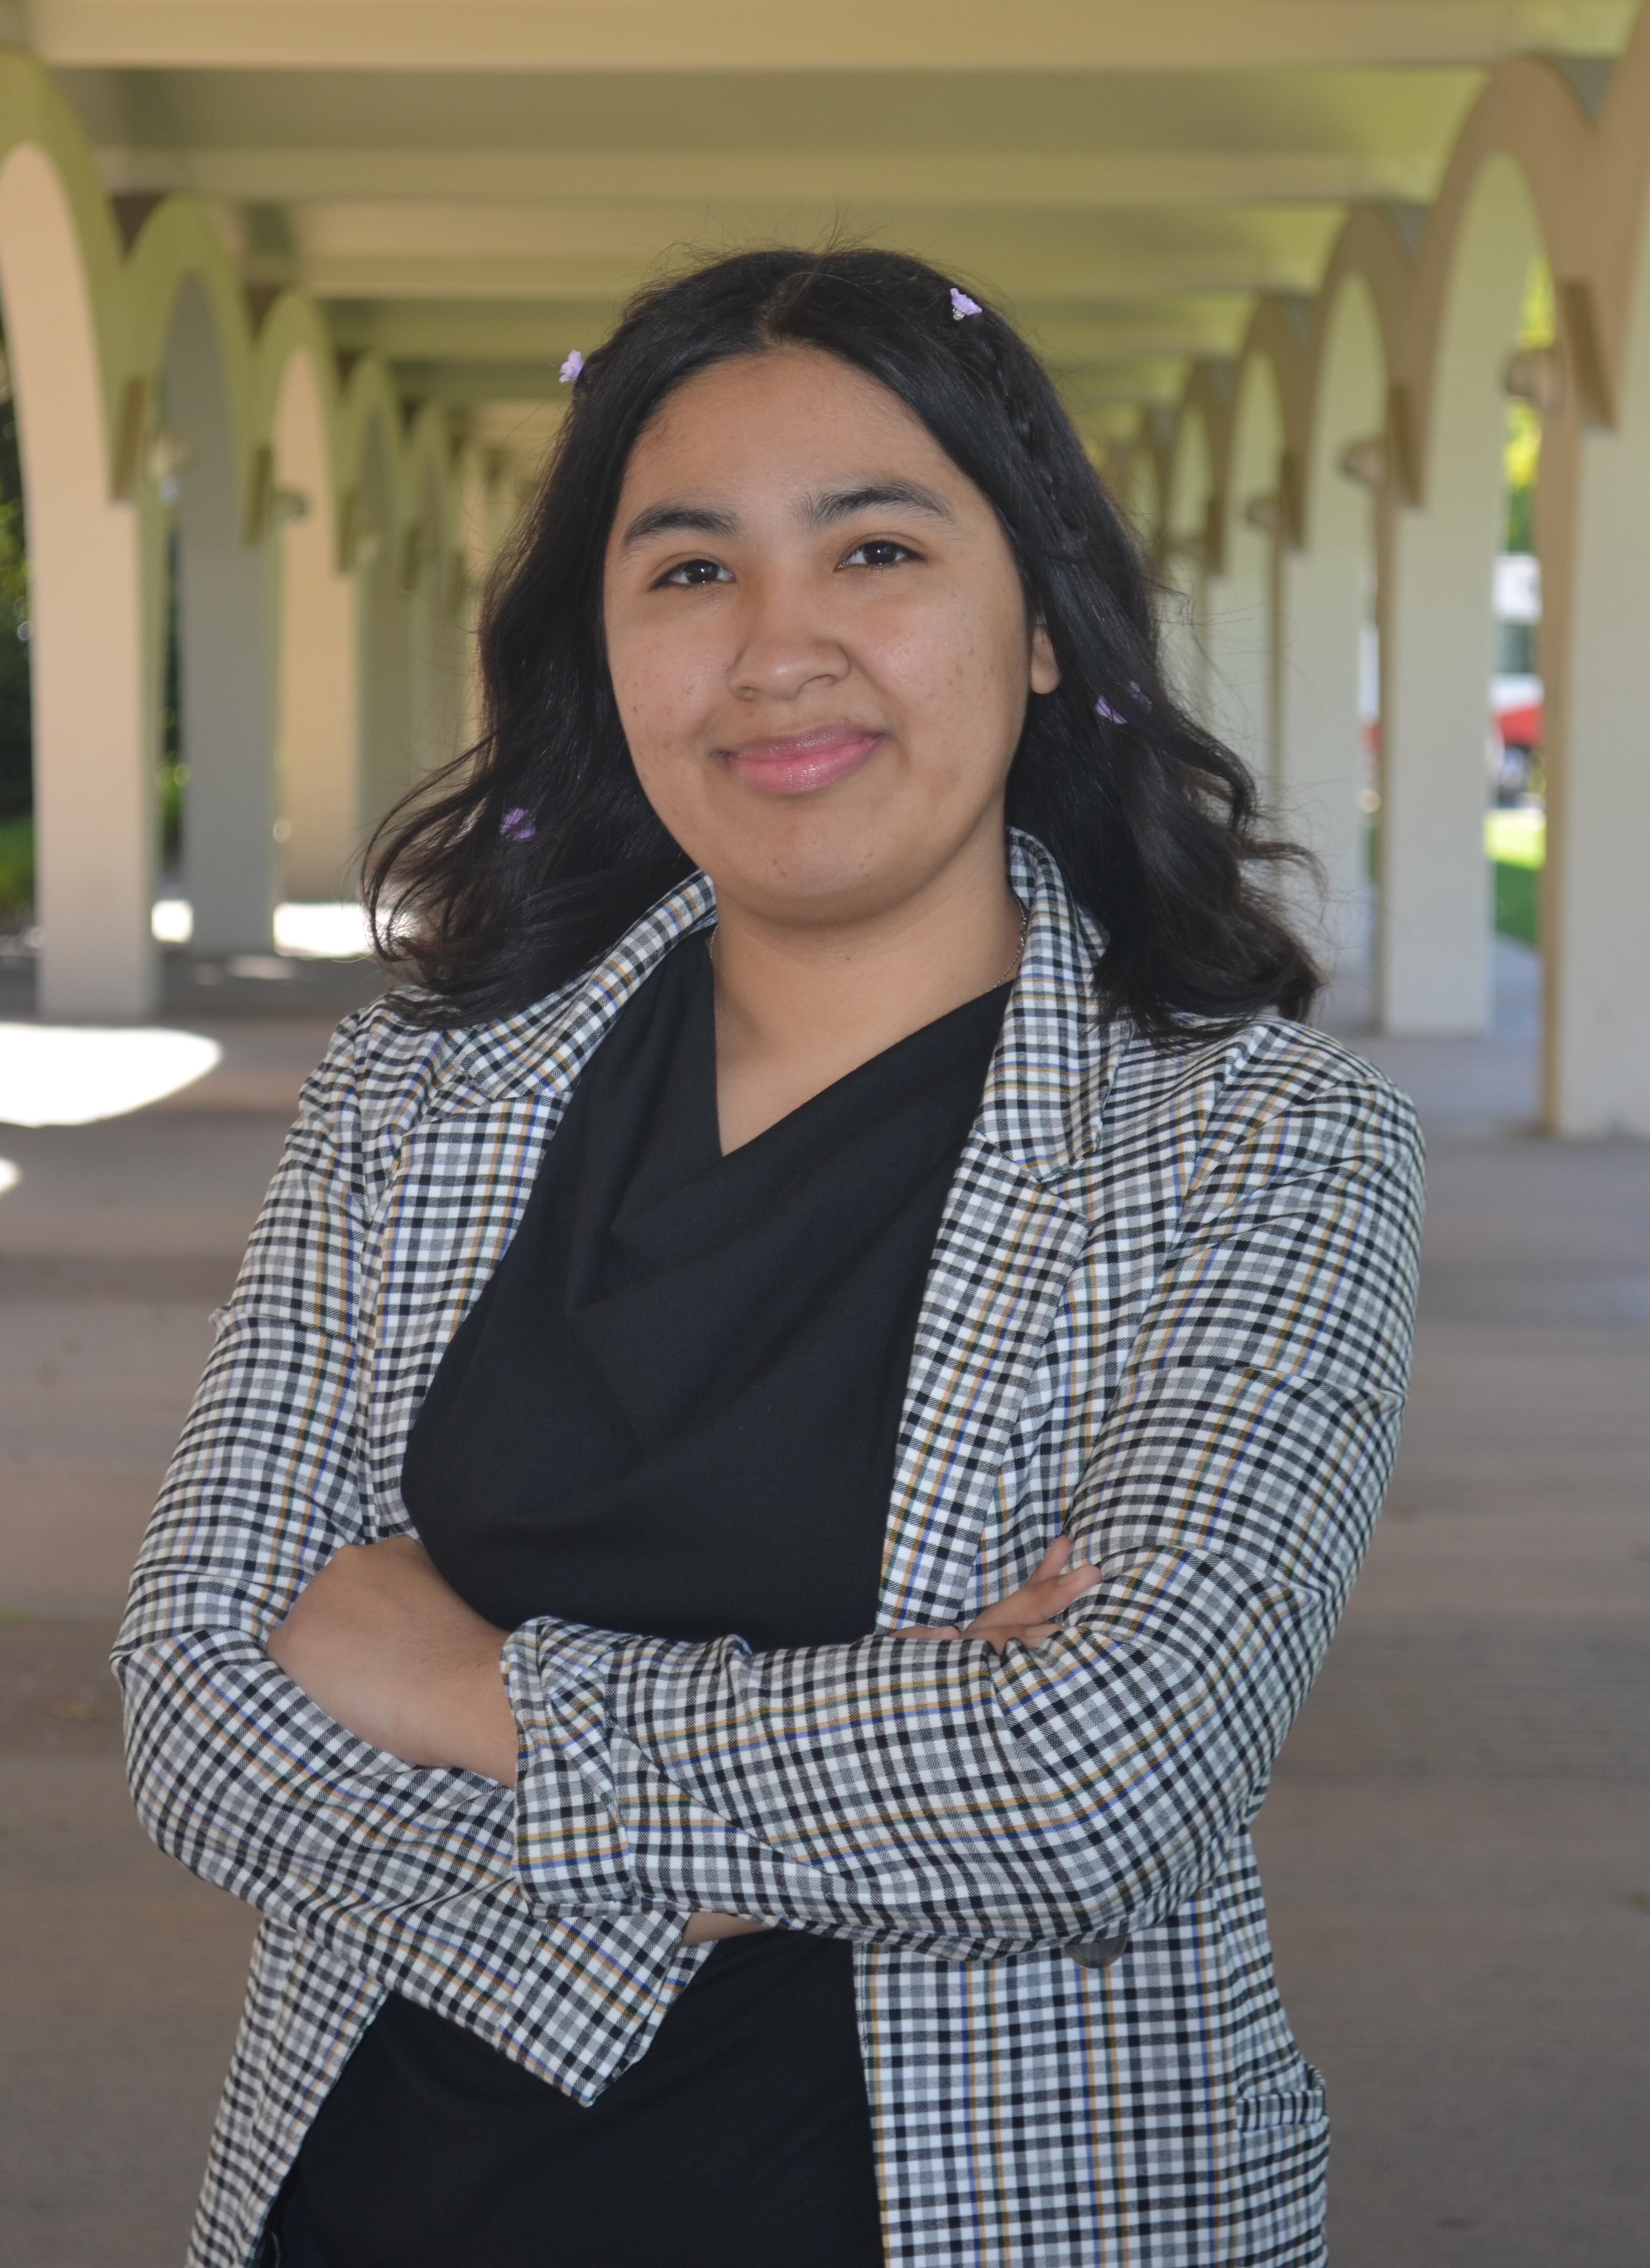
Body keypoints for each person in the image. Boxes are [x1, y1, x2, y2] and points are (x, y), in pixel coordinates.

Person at [115, 247, 1423, 2268]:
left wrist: (475, 1692)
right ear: (604, 645)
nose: (778, 649)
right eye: (691, 569)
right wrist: (874, 1767)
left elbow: (1101, 1781)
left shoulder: (1258, 1140)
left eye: (878, 551)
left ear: (1049, 623)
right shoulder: (415, 1096)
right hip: (394, 2198)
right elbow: (202, 1718)